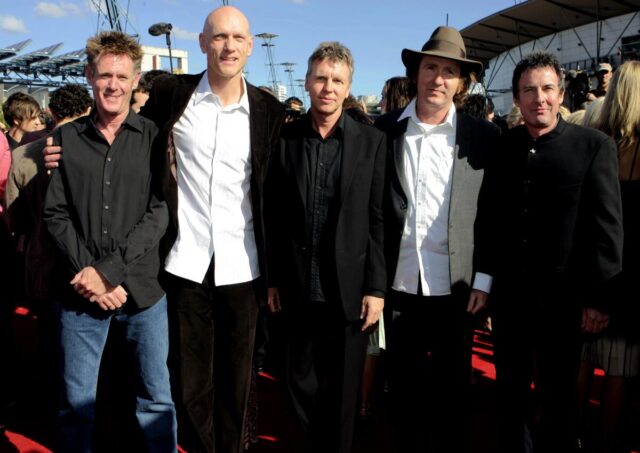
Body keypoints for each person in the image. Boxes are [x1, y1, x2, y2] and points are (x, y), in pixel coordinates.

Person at [139, 7, 285, 453]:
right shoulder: (172, 94)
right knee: (190, 381)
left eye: (238, 38)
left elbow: (278, 189)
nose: (229, 46)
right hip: (185, 262)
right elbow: (127, 135)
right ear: (202, 43)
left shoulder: (269, 110)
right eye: (219, 37)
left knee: (237, 379)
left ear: (251, 46)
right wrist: (58, 145)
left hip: (244, 265)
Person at [474, 51, 623, 453]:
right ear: (516, 98)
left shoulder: (594, 146)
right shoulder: (502, 148)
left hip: (565, 303)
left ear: (560, 94)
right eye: (529, 90)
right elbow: (488, 220)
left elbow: (607, 229)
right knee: (510, 395)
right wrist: (484, 283)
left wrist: (599, 299)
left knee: (558, 399)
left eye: (547, 89)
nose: (538, 98)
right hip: (510, 300)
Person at [43, 31, 176, 452]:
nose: (113, 85)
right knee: (75, 405)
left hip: (142, 293)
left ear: (136, 79)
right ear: (89, 76)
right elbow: (56, 213)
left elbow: (159, 212)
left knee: (156, 400)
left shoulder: (155, 137)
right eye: (104, 75)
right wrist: (91, 276)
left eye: (121, 76)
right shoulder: (65, 139)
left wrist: (109, 272)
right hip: (80, 293)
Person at [375, 26, 500, 453]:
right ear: (416, 73)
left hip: (458, 288)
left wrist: (484, 280)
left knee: (453, 394)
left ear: (461, 83)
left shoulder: (483, 137)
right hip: (399, 284)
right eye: (431, 68)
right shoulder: (383, 130)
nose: (438, 79)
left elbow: (493, 217)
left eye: (449, 72)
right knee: (402, 392)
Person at [265, 41, 386, 453]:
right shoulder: (284, 139)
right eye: (320, 78)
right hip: (296, 287)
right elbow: (273, 215)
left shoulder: (371, 142)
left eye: (337, 80)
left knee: (344, 389)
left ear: (348, 87)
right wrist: (273, 279)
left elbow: (377, 220)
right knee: (296, 382)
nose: (328, 87)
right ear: (307, 82)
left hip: (349, 290)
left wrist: (376, 288)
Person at [4, 83, 92, 433]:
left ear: (51, 114)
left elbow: (14, 218)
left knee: (50, 344)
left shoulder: (25, 154)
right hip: (87, 265)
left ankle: (49, 413)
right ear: (87, 111)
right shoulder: (97, 150)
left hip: (43, 264)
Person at [577, 60, 640, 453]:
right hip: (628, 277)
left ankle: (570, 433)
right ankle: (607, 442)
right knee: (619, 368)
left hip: (590, 269)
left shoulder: (591, 141)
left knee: (583, 357)